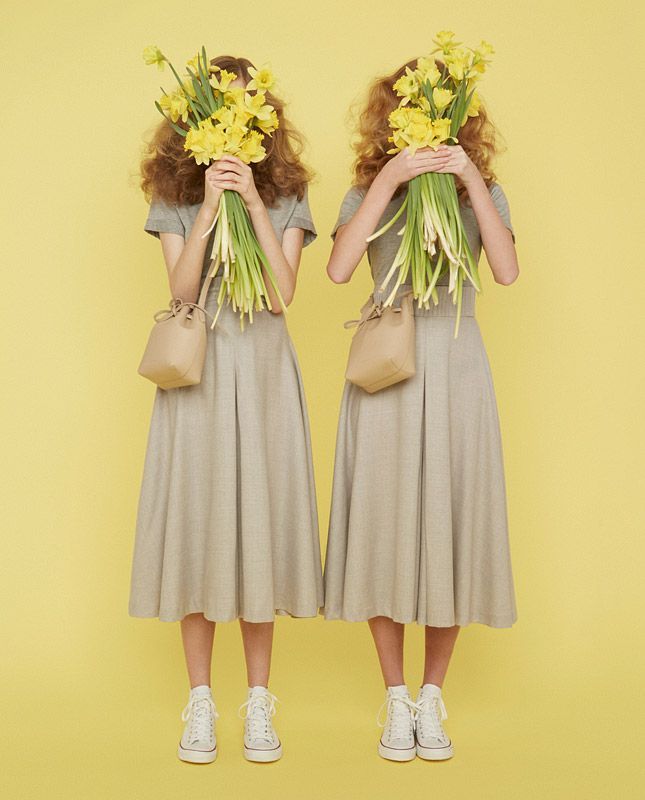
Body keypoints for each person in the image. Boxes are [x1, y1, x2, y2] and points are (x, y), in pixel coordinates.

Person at [323, 57, 519, 762]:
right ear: (393, 118)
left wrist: (466, 177)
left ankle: (433, 697)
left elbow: (503, 270)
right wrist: (388, 182)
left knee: (455, 526)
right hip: (386, 369)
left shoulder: (482, 191)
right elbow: (340, 269)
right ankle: (396, 696)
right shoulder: (365, 192)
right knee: (382, 526)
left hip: (458, 364)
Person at [128, 55, 323, 764]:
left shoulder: (290, 194)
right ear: (196, 121)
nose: (231, 123)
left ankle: (259, 703)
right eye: (218, 110)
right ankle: (201, 701)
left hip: (265, 372)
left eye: (243, 109)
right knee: (198, 527)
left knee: (259, 531)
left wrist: (252, 208)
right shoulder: (173, 195)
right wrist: (211, 208)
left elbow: (280, 296)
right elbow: (183, 294)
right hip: (200, 375)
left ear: (261, 119)